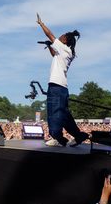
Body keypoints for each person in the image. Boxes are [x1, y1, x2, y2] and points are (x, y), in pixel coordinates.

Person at [37, 13, 89, 147]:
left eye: (62, 36)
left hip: (56, 86)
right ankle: (79, 135)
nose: (59, 37)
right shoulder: (67, 52)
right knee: (64, 115)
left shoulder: (63, 47)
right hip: (63, 88)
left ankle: (58, 137)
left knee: (54, 112)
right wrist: (50, 46)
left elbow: (50, 35)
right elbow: (54, 55)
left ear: (65, 40)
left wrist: (41, 24)